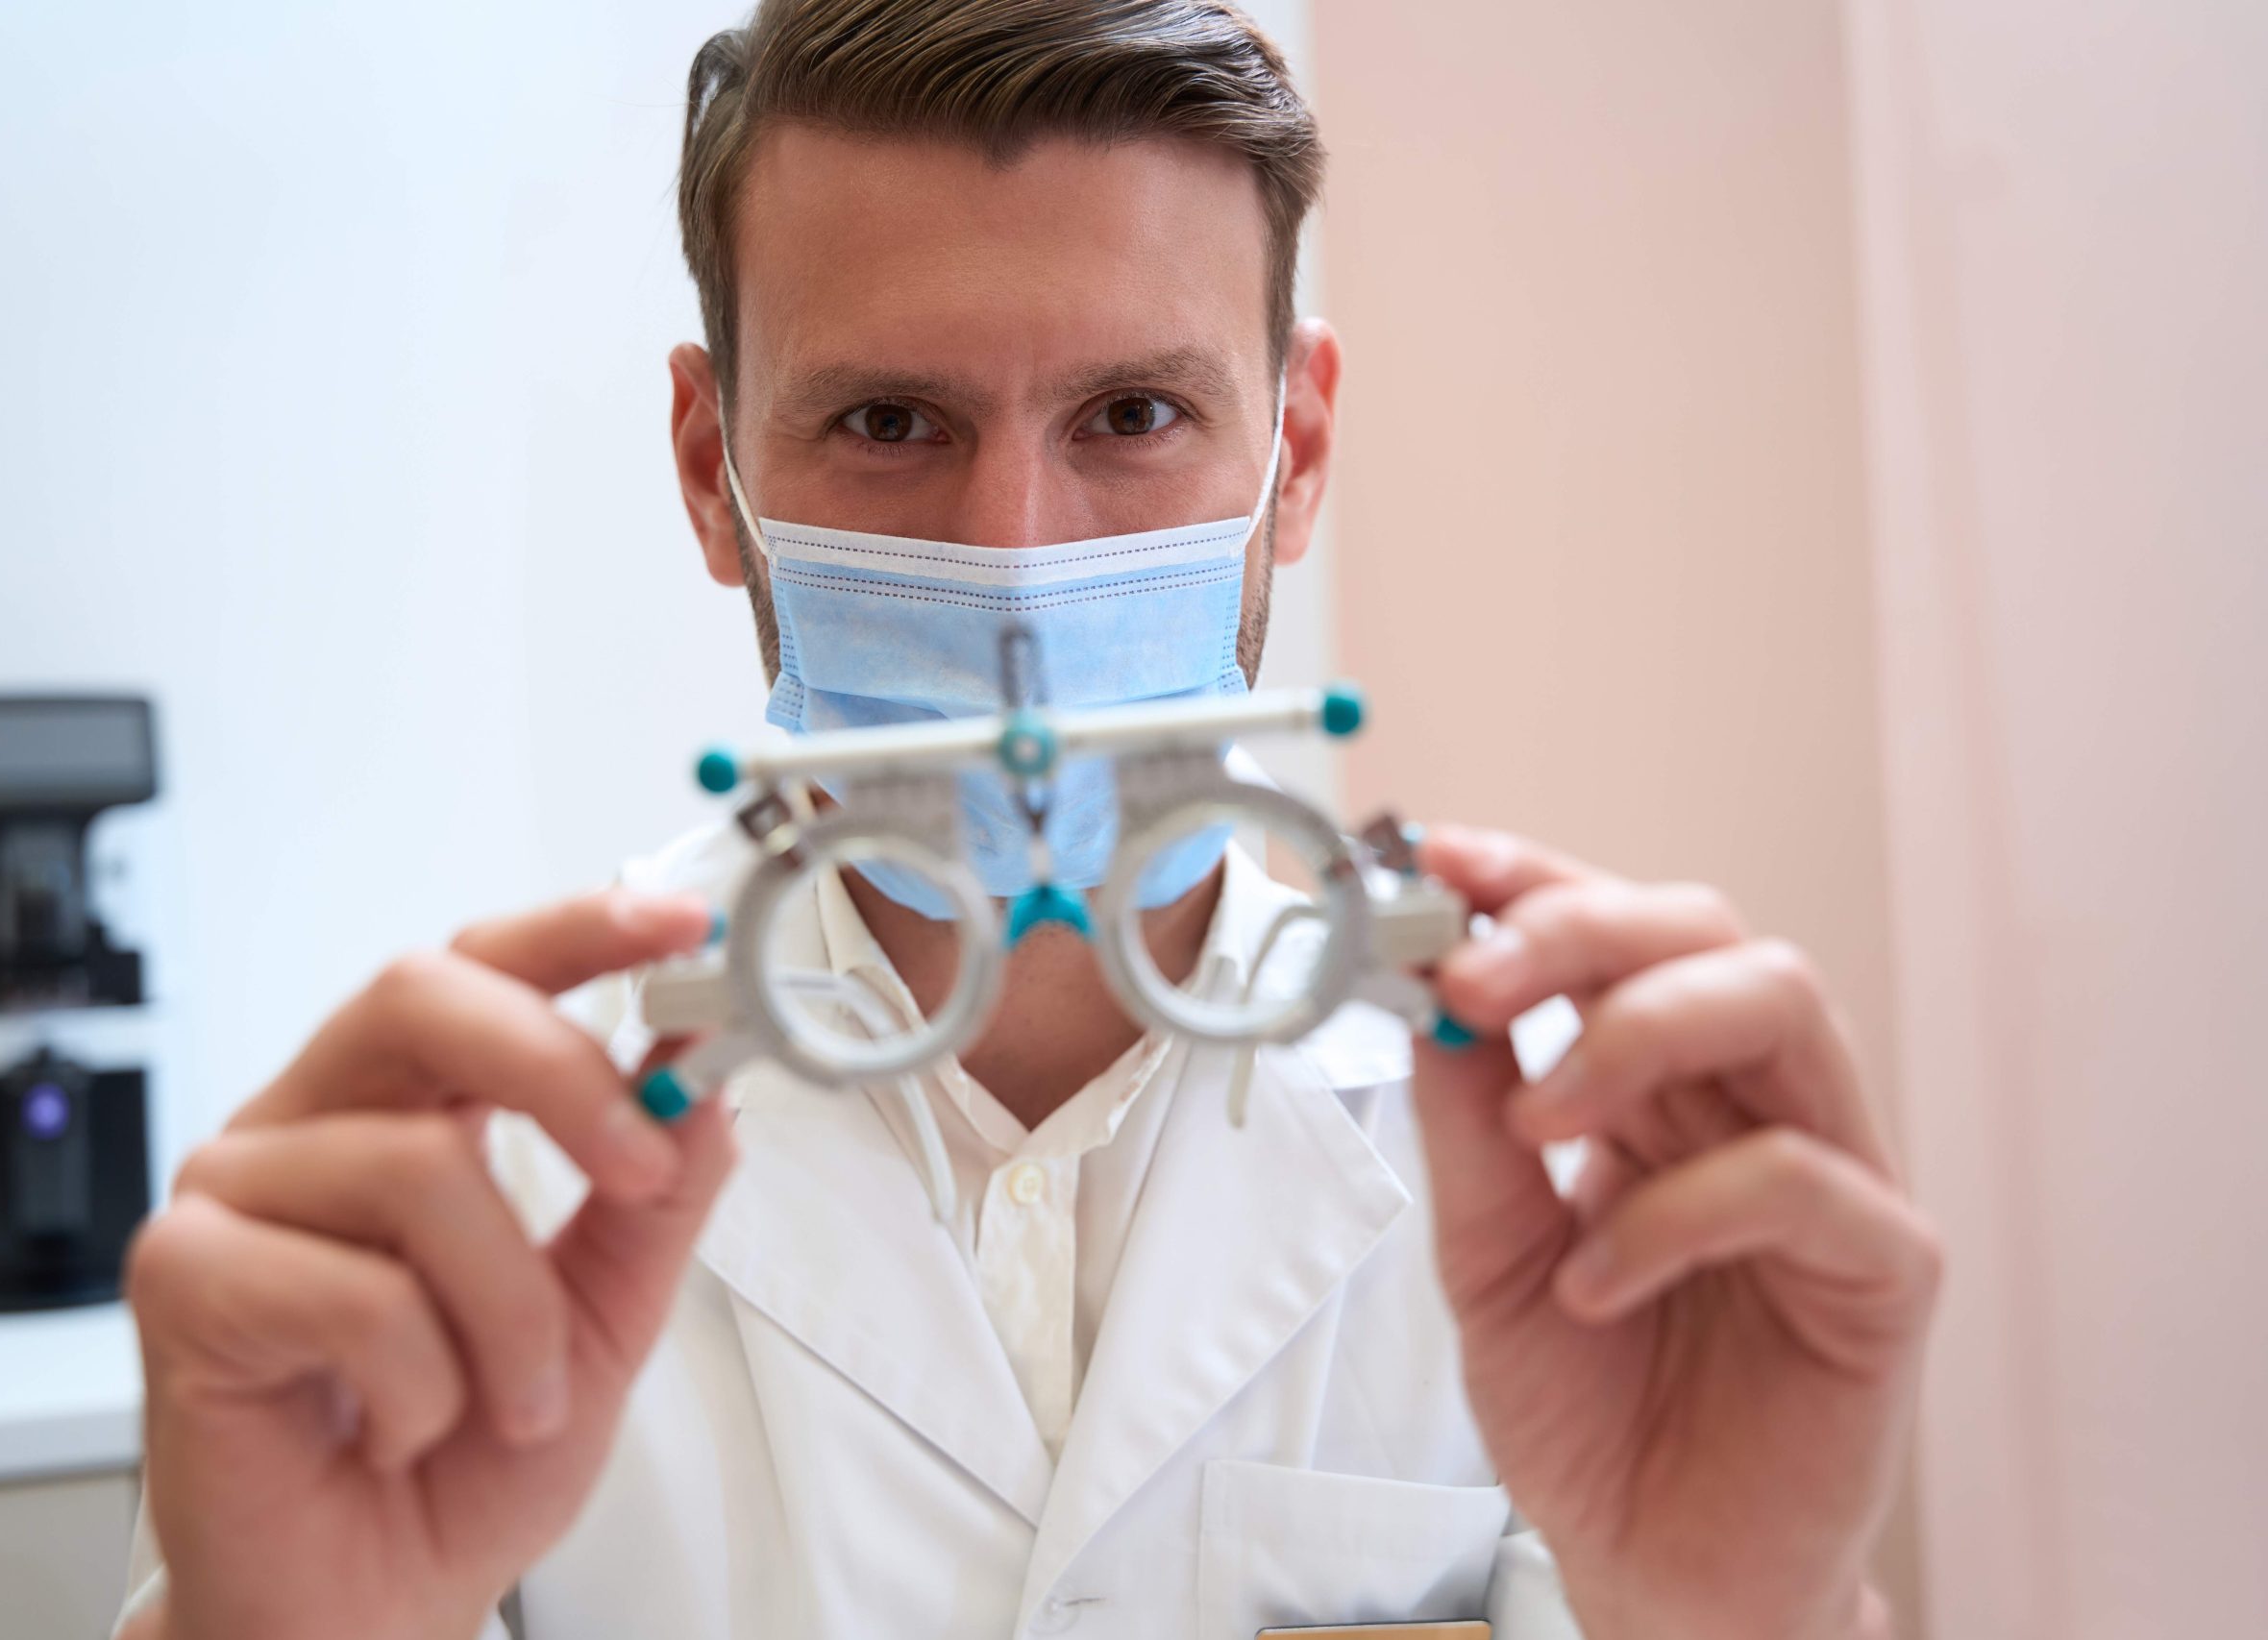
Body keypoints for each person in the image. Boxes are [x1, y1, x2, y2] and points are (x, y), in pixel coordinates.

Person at [111, 2, 1941, 1636]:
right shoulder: (465, 1193)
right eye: (889, 422)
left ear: (1294, 453)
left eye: (1133, 413)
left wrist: (1749, 1628)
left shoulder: (1571, 1167)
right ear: (711, 471)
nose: (1016, 568)